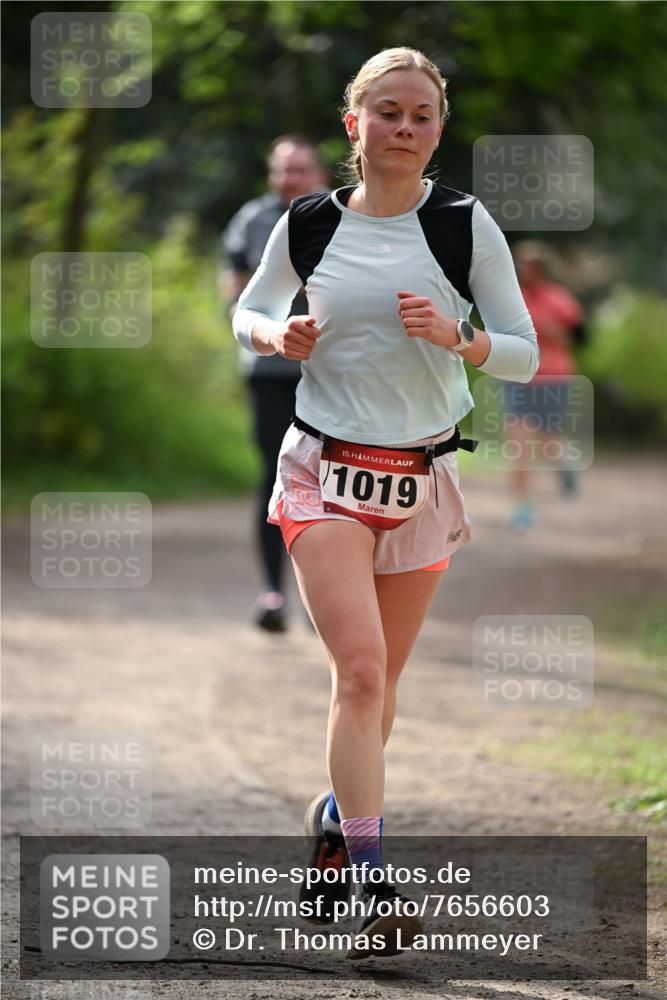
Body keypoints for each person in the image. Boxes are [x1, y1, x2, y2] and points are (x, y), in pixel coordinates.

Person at [233, 48, 539, 958]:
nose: (404, 128)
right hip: (321, 468)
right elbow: (247, 311)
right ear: (353, 124)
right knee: (361, 674)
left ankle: (335, 820)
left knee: (382, 689)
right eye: (388, 112)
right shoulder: (308, 222)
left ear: (438, 131)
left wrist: (460, 336)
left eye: (421, 115)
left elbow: (522, 350)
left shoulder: (461, 223)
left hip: (422, 475)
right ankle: (371, 880)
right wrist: (274, 333)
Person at [221, 136, 329, 631]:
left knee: (329, 481)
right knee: (274, 476)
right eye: (283, 170)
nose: (290, 179)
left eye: (300, 170)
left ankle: (320, 598)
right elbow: (233, 285)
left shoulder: (343, 215)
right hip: (268, 371)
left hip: (328, 372)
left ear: (319, 174)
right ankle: (273, 594)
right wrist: (249, 319)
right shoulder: (252, 219)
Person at [504, 242, 585, 531]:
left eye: (529, 265)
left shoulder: (559, 298)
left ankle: (566, 463)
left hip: (553, 378)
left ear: (541, 268)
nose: (522, 269)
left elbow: (580, 339)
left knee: (549, 442)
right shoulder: (512, 297)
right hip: (519, 378)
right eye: (520, 264)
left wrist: (554, 332)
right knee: (519, 443)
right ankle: (522, 506)